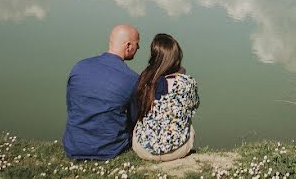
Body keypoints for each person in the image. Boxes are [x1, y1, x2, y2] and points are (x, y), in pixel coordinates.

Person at [62, 24, 140, 160]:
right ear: (128, 46)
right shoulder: (133, 79)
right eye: (137, 44)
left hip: (73, 146)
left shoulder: (79, 67)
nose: (138, 48)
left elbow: (71, 107)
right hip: (109, 150)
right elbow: (135, 120)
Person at [132, 33, 200, 162]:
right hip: (176, 151)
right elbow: (193, 107)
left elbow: (135, 112)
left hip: (143, 151)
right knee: (187, 117)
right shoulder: (187, 82)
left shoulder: (145, 81)